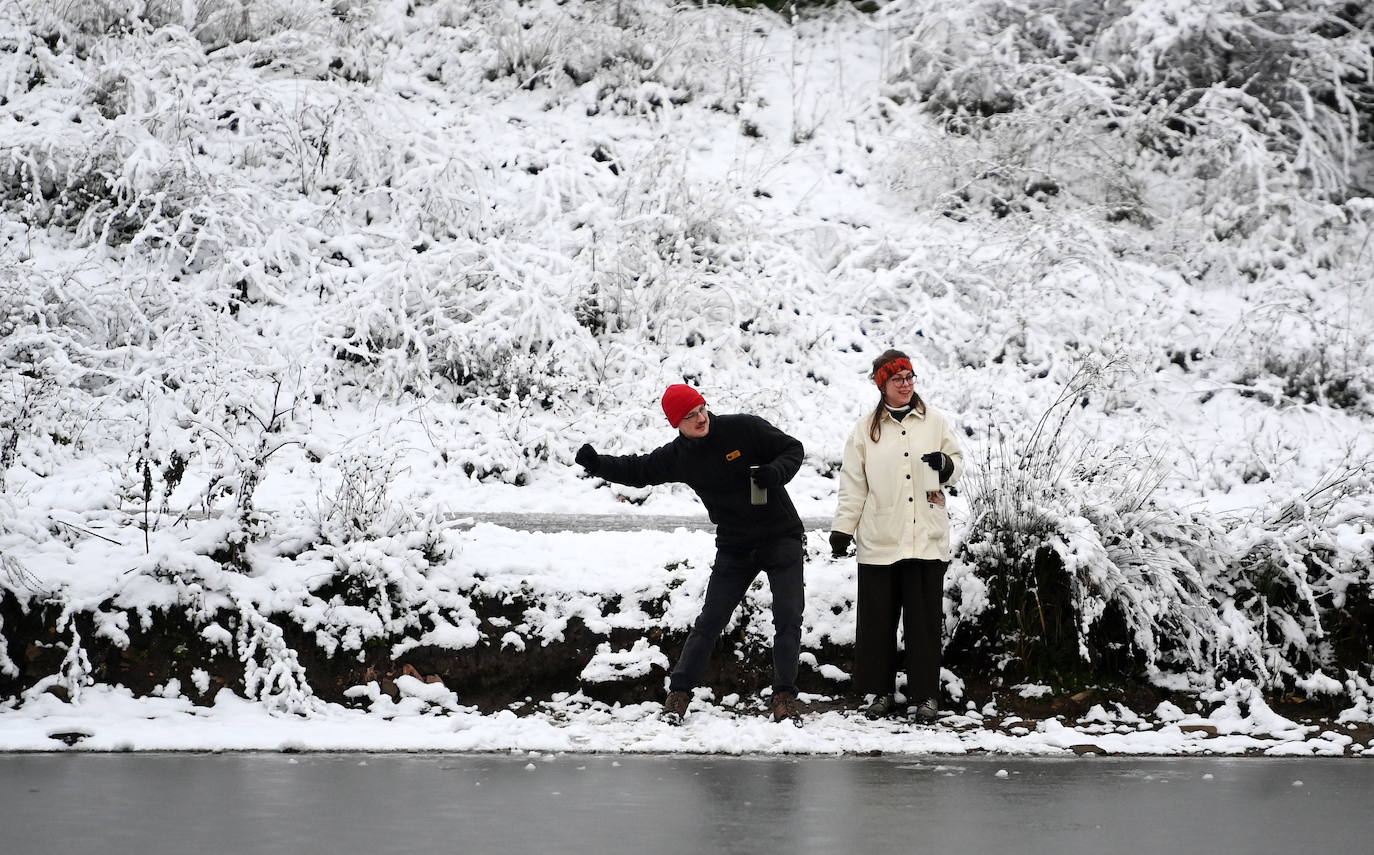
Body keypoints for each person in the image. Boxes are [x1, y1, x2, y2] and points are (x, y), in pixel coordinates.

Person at [575, 383, 807, 725]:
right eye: (689, 416)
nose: (700, 418)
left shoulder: (743, 427)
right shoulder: (679, 457)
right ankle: (679, 695)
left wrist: (776, 472)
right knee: (710, 621)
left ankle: (784, 698)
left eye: (701, 409)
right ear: (676, 423)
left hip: (781, 536)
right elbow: (639, 470)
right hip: (735, 545)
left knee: (788, 619)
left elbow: (792, 449)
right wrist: (597, 464)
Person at [829, 350, 963, 724]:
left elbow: (957, 465)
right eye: (897, 379)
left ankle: (926, 696)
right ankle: (881, 694)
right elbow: (853, 483)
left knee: (923, 624)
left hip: (925, 537)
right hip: (880, 539)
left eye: (909, 377)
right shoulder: (865, 429)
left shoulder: (934, 421)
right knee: (877, 624)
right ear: (882, 385)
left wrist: (945, 464)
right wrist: (843, 528)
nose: (906, 384)